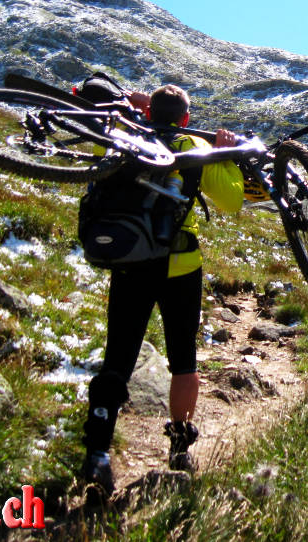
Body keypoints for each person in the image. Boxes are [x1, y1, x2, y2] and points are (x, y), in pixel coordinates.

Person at [79, 84, 245, 498]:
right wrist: (226, 154)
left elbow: (99, 168)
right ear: (186, 118)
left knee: (117, 355)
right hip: (180, 265)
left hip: (130, 261)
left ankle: (98, 451)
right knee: (183, 360)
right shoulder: (192, 143)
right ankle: (179, 449)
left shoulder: (127, 135)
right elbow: (231, 200)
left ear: (149, 109)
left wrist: (131, 115)